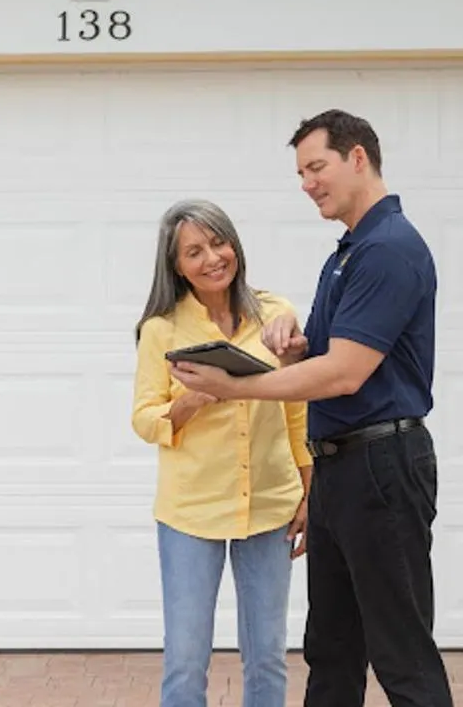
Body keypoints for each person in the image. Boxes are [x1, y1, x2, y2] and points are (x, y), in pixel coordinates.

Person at [172, 110, 454, 707]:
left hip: (380, 465)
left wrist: (234, 388)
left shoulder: (387, 251)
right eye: (301, 172)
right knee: (331, 647)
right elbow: (331, 358)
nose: (307, 183)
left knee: (401, 654)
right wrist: (299, 348)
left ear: (358, 158)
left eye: (316, 167)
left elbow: (346, 375)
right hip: (340, 469)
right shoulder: (347, 254)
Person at [132, 199, 312, 707]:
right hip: (190, 513)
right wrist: (193, 399)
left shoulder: (276, 315)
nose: (212, 258)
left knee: (268, 657)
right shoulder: (161, 330)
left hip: (270, 506)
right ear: (176, 265)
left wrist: (307, 493)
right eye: (194, 251)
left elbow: (296, 408)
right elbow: (145, 418)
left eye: (218, 242)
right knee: (186, 662)